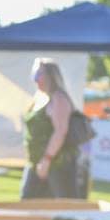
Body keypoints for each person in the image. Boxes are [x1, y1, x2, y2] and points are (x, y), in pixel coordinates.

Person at [21, 58, 77, 198]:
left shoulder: (59, 98)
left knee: (64, 205)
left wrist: (46, 160)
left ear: (50, 76)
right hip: (36, 161)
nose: (35, 78)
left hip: (57, 163)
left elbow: (60, 132)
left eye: (39, 74)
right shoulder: (40, 98)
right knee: (27, 202)